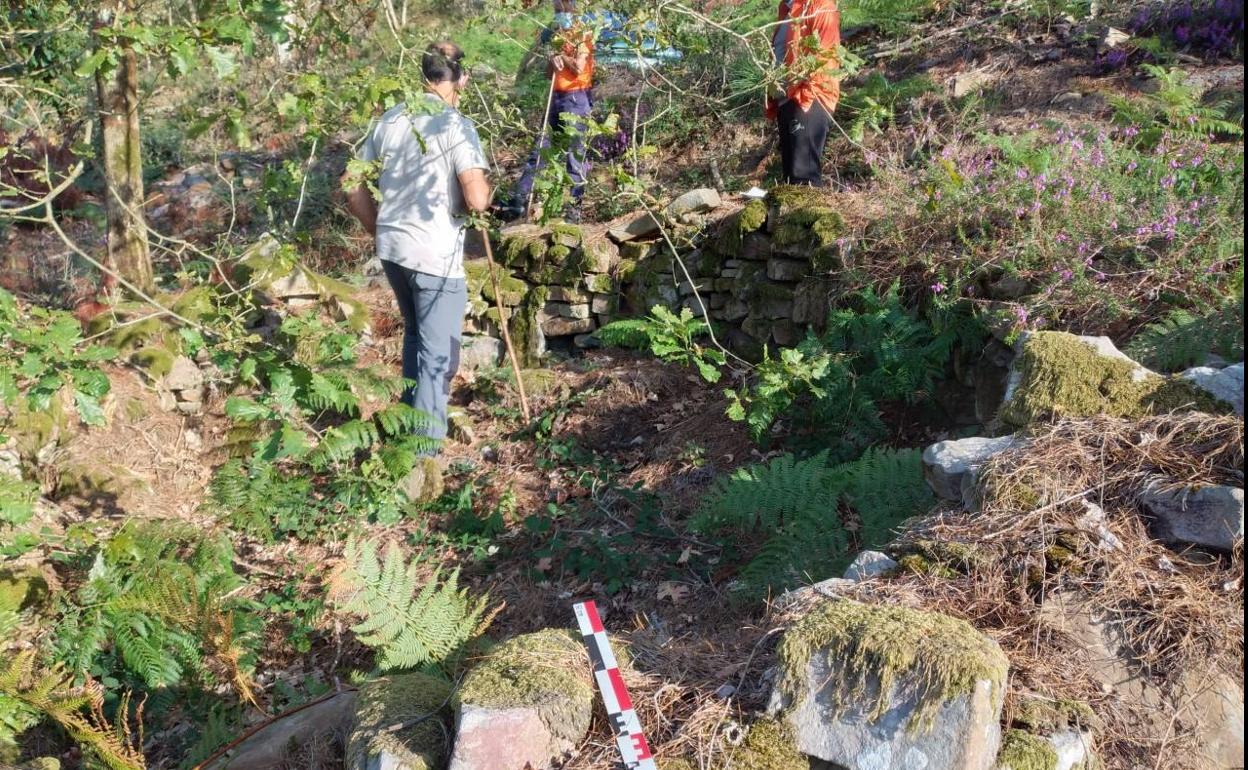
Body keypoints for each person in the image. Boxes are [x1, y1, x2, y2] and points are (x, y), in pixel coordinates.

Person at [344, 40, 491, 500]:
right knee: (439, 354)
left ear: (423, 76)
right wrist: (485, 187)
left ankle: (409, 423)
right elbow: (476, 198)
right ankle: (421, 457)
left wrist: (378, 227)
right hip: (435, 255)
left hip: (394, 248)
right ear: (460, 79)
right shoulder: (456, 125)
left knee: (416, 338)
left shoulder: (390, 118)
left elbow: (351, 185)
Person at [512, 0, 595, 220]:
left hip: (576, 98)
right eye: (556, 10)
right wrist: (552, 58)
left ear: (572, 8)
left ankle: (574, 209)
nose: (559, 14)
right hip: (557, 97)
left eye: (561, 10)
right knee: (541, 148)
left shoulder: (582, 35)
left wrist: (563, 56)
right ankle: (518, 200)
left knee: (575, 154)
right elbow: (550, 73)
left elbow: (578, 67)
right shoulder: (556, 35)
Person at [767, 0, 842, 186]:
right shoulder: (786, 9)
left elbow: (823, 56)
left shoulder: (821, 7)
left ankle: (809, 214)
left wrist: (803, 89)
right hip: (786, 99)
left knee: (804, 174)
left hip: (810, 96)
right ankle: (790, 215)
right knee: (791, 176)